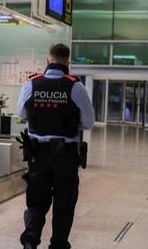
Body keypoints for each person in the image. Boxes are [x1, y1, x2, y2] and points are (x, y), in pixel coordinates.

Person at [17, 43, 95, 249]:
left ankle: (30, 242)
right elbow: (88, 122)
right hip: (66, 156)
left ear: (47, 60)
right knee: (64, 203)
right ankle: (58, 244)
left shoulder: (31, 84)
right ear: (67, 62)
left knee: (36, 201)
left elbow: (21, 115)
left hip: (37, 154)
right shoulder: (75, 86)